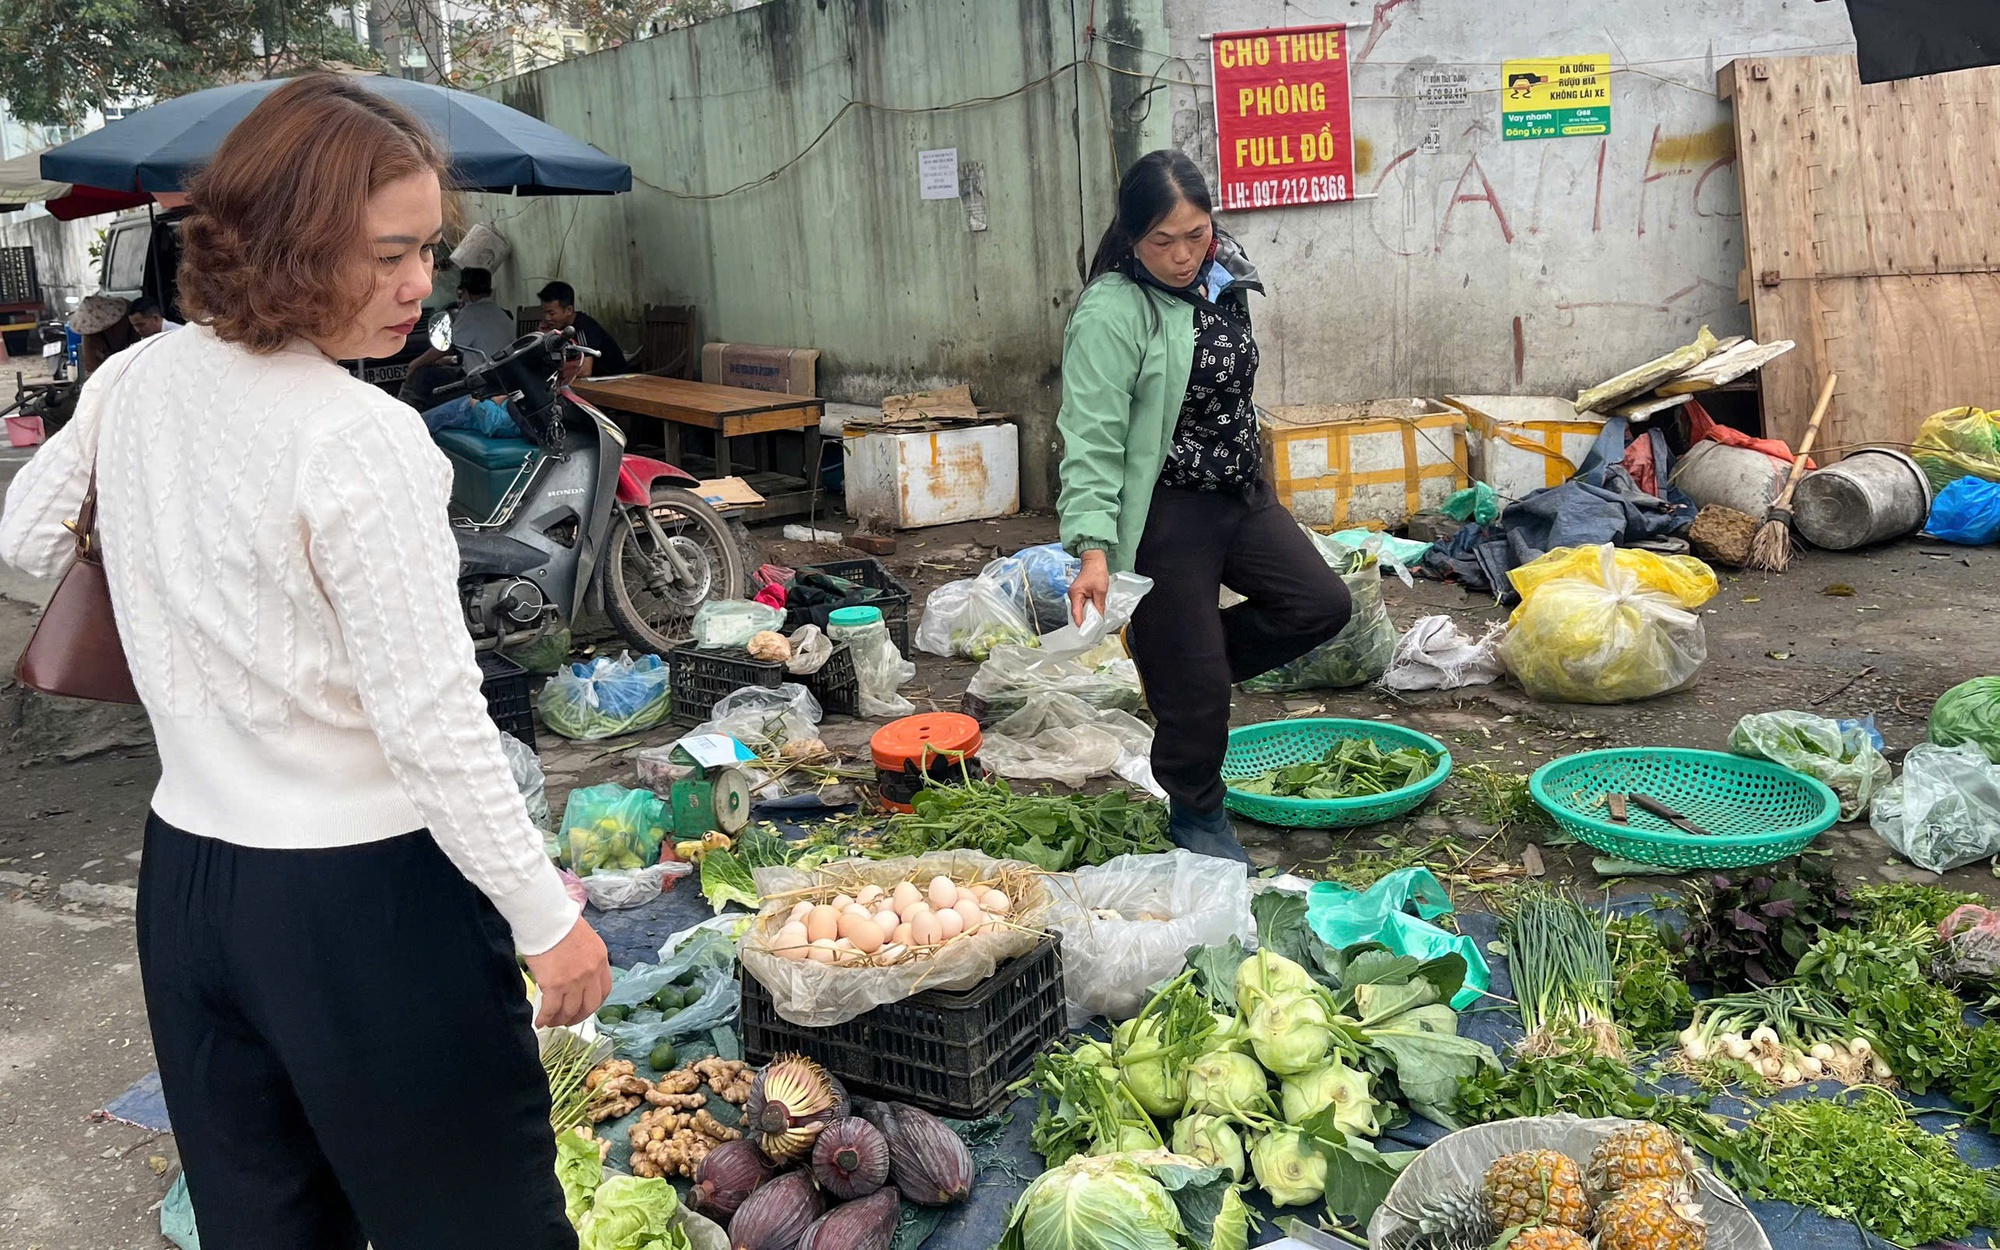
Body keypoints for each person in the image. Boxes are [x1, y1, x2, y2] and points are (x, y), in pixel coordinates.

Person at [0, 75, 609, 1248]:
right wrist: (544, 914)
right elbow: (429, 719)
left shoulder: (134, 377)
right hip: (363, 900)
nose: (419, 285)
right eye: (386, 254)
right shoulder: (356, 435)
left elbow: (26, 538)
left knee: (265, 1222)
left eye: (426, 249)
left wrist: (186, 565)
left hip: (189, 883)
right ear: (286, 245)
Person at [1057, 149, 1352, 863]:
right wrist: (1093, 548)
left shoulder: (1224, 275)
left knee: (1319, 604)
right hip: (1167, 512)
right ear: (1131, 236)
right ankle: (1195, 813)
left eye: (1197, 234)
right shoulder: (1112, 311)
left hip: (1241, 495)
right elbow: (1090, 436)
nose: (1183, 254)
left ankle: (1181, 664)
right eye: (1163, 240)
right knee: (1194, 695)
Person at [401, 265, 515, 408]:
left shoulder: (471, 313)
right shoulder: (501, 313)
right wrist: (451, 360)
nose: (460, 300)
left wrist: (415, 364)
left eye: (461, 295)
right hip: (502, 381)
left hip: (481, 386)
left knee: (423, 374)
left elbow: (445, 347)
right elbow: (482, 348)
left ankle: (413, 413)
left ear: (466, 292)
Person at [537, 279, 627, 379]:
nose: (546, 318)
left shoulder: (583, 327)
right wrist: (543, 339)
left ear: (569, 310)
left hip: (613, 381)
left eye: (551, 313)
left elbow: (585, 371)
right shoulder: (556, 329)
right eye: (544, 312)